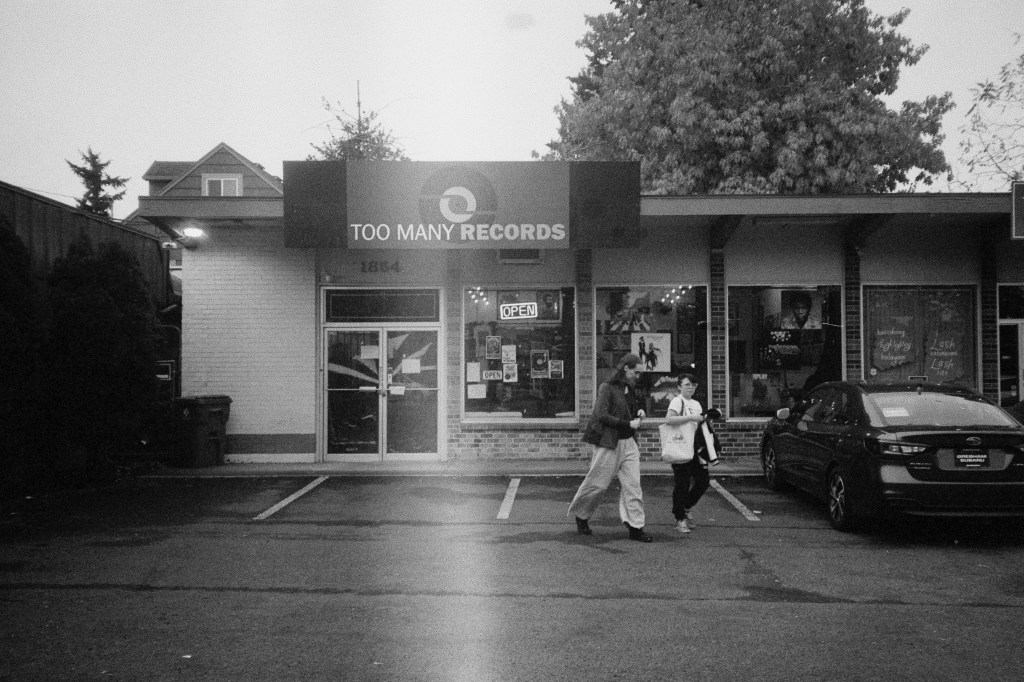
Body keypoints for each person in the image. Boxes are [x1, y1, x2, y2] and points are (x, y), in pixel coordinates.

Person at [569, 353, 652, 542]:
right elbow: (601, 415)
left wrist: (638, 413)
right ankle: (582, 516)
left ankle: (635, 527)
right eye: (636, 372)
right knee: (597, 484)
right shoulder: (606, 388)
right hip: (609, 444)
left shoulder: (630, 389)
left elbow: (629, 412)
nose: (638, 376)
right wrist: (627, 424)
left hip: (629, 444)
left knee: (633, 487)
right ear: (626, 369)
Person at [665, 374, 708, 534]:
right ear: (679, 387)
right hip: (680, 446)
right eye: (687, 384)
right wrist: (690, 417)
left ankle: (686, 507)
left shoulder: (696, 404)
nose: (690, 387)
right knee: (682, 484)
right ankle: (679, 518)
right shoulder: (677, 401)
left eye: (693, 384)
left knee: (703, 481)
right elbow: (669, 420)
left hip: (695, 448)